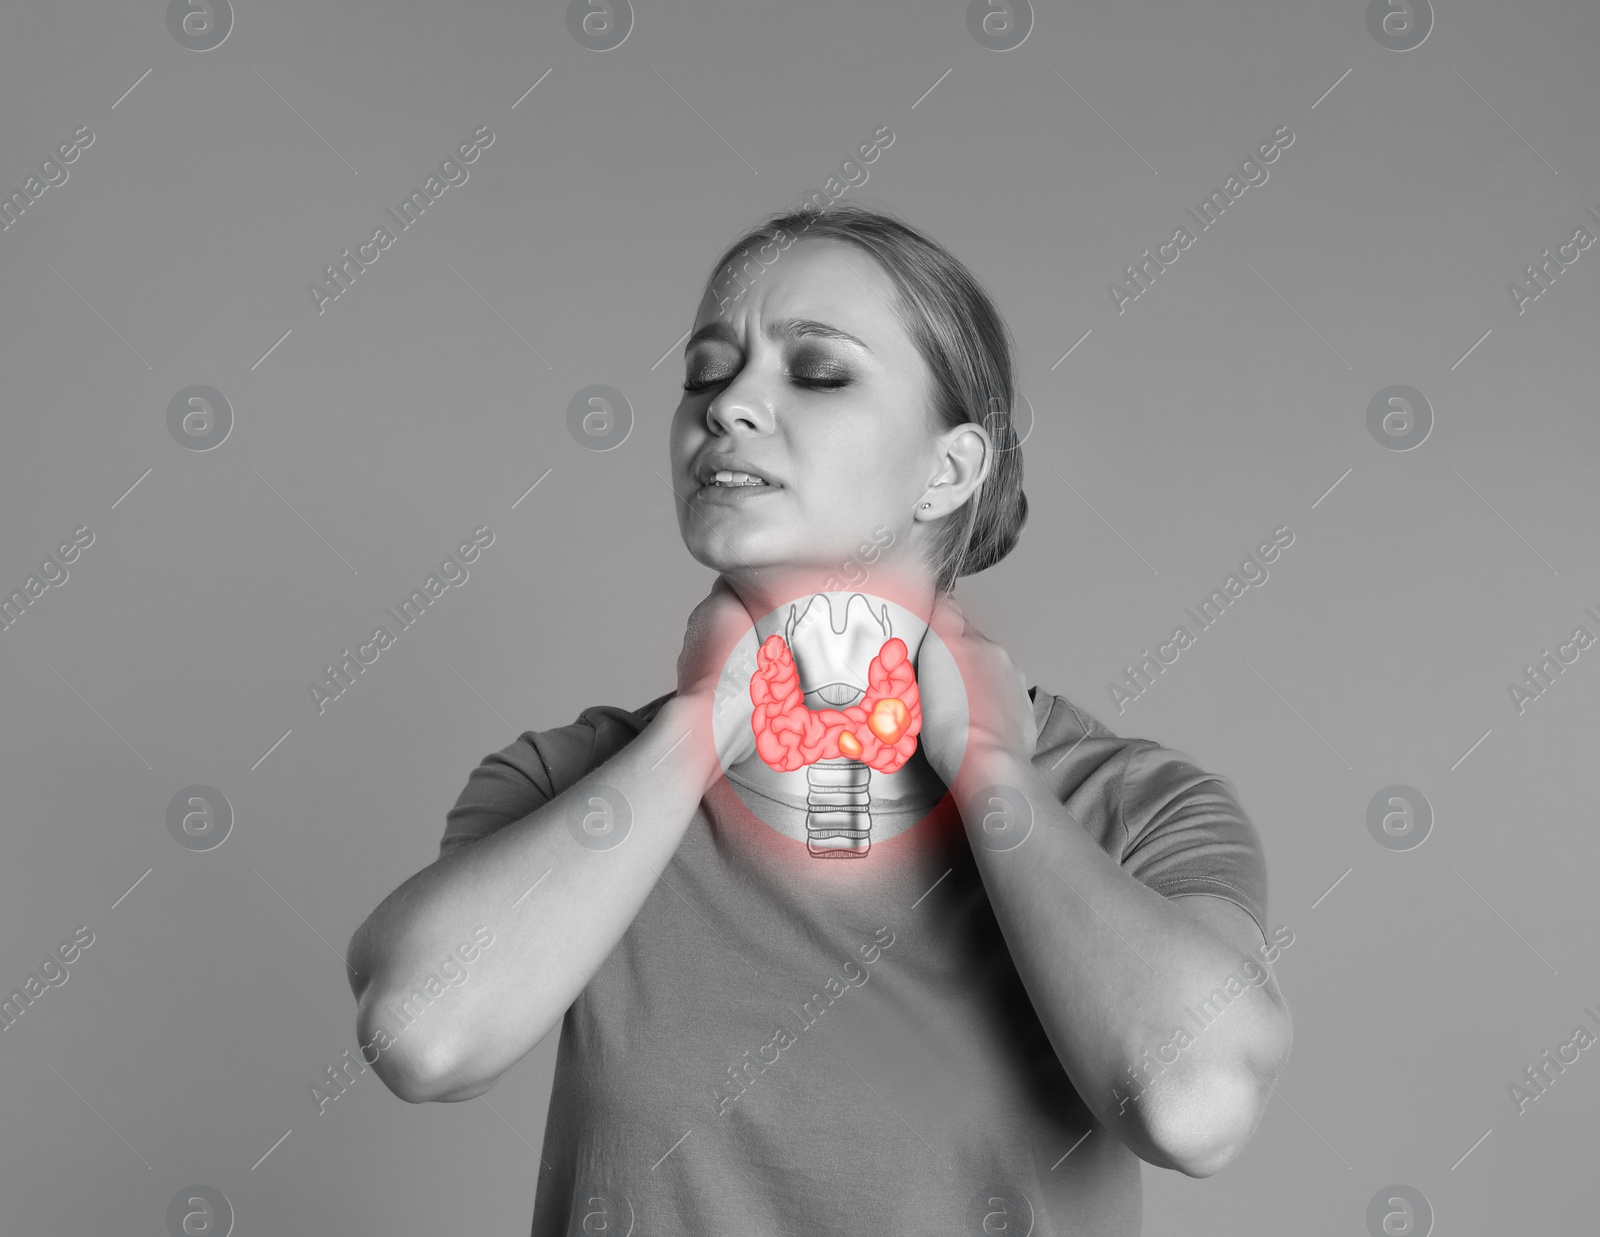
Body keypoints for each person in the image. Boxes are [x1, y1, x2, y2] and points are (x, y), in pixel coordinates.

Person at [344, 201, 1293, 1236]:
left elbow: (1196, 1105)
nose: (728, 405)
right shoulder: (570, 784)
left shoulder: (1132, 805)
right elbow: (422, 1035)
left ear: (949, 470)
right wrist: (699, 728)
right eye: (707, 369)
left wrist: (989, 770)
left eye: (816, 370)